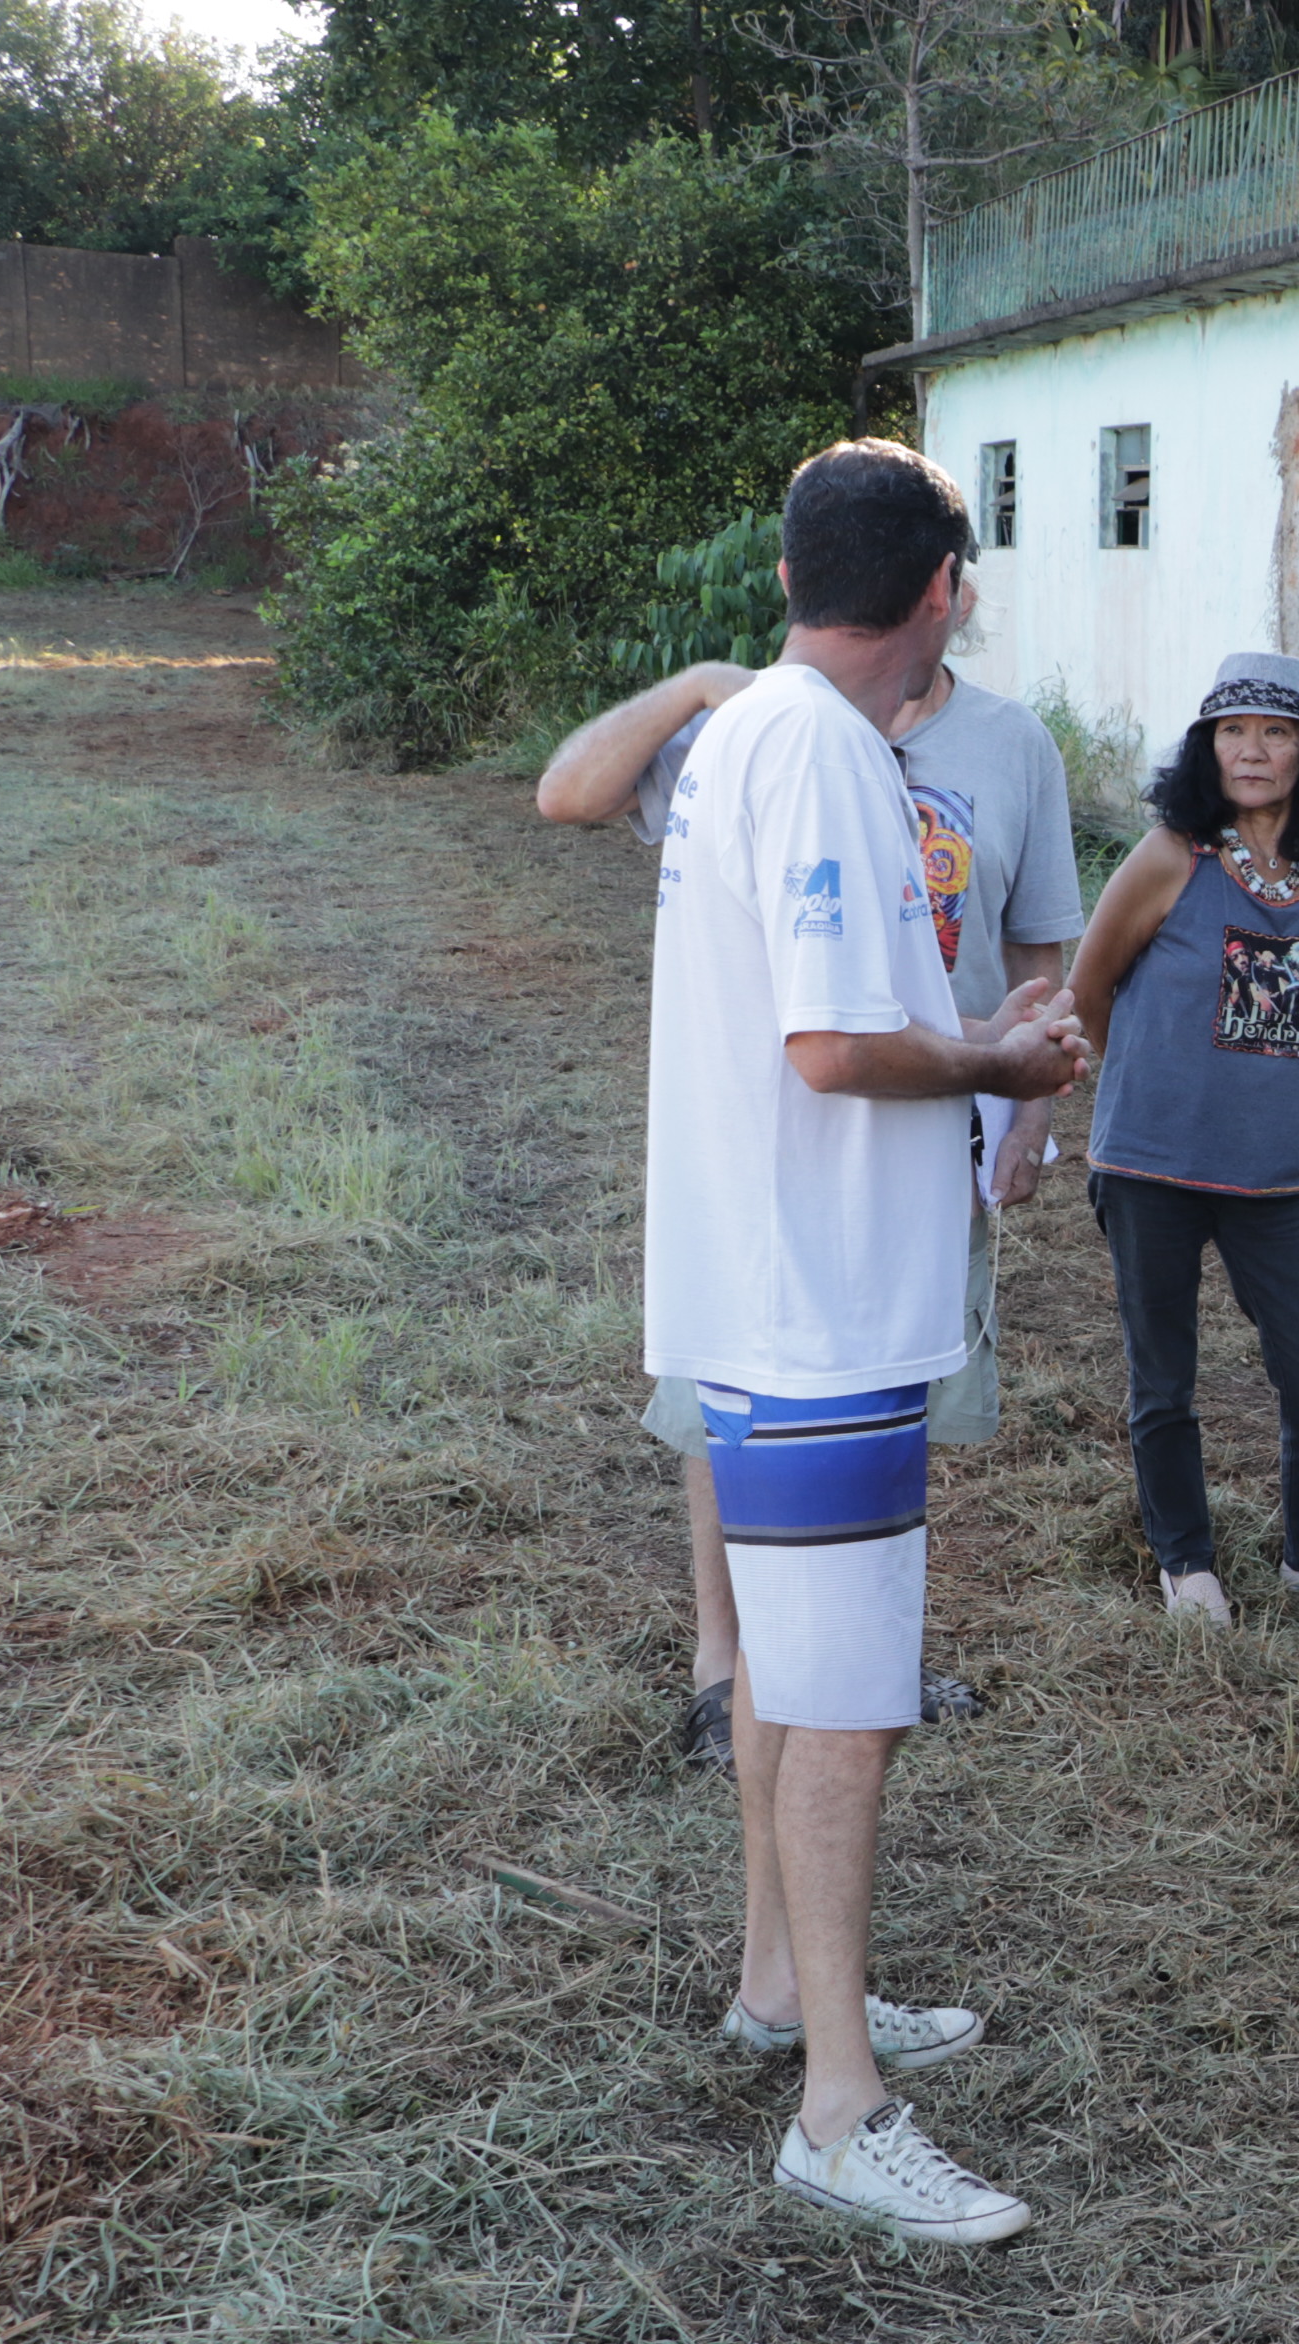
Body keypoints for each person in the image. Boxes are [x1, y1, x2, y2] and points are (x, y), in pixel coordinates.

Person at [643, 439, 1091, 2244]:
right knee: (844, 1714)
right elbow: (834, 1048)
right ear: (941, 592)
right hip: (816, 1308)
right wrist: (996, 1057)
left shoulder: (745, 725)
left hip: (773, 1287)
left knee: (783, 1677)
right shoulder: (829, 752)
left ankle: (780, 1985)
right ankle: (839, 2103)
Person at [539, 567, 1085, 1771]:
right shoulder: (758, 727)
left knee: (905, 1384)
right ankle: (729, 1666)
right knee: (737, 1403)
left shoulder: (1009, 743)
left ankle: (855, 1655)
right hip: (786, 1127)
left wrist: (1025, 1111)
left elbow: (1042, 928)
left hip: (950, 1114)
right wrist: (692, 684)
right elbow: (566, 792)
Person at [1066, 652, 1299, 1632]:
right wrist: (1132, 1099)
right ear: (1205, 747)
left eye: (1276, 732)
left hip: (1271, 1177)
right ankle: (1188, 1564)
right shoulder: (1172, 856)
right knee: (1164, 1376)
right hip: (1150, 1168)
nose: (1252, 750)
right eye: (1233, 731)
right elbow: (1090, 987)